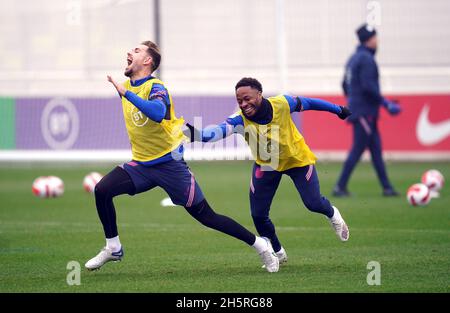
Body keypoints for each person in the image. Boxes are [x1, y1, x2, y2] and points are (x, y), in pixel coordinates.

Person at [85, 41, 279, 273]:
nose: (129, 52)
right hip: (141, 165)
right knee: (102, 190)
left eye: (136, 51)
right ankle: (113, 247)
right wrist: (125, 91)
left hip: (170, 166)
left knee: (207, 217)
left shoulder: (156, 87)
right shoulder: (127, 86)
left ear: (148, 61)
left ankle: (260, 245)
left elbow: (157, 113)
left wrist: (125, 93)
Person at [185, 77, 352, 264]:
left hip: (297, 160)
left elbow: (310, 103)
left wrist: (338, 110)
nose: (244, 104)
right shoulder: (239, 120)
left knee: (313, 203)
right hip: (267, 165)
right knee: (258, 215)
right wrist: (198, 135)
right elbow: (218, 132)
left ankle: (332, 214)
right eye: (239, 101)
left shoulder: (282, 103)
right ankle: (277, 251)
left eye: (247, 98)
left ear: (260, 94)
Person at [332, 24, 401, 197]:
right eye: (375, 38)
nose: (377, 41)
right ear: (369, 40)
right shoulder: (366, 59)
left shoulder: (354, 58)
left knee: (376, 150)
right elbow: (369, 87)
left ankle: (387, 187)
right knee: (358, 149)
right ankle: (340, 187)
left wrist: (352, 101)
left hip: (360, 110)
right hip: (365, 113)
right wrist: (386, 104)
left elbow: (344, 84)